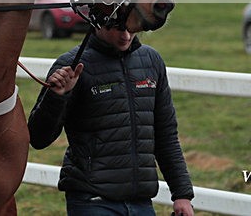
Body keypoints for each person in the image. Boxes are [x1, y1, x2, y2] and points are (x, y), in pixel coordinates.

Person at [28, 23, 196, 216]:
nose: (126, 35)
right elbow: (38, 138)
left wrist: (182, 194)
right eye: (118, 28)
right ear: (98, 23)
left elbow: (166, 135)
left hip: (142, 203)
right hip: (92, 202)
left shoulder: (152, 61)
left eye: (131, 27)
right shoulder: (70, 66)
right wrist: (57, 96)